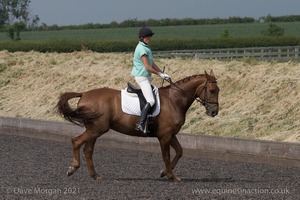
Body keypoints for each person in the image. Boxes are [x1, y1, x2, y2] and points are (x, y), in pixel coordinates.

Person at [131, 27, 171, 134]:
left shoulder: (146, 47)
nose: (150, 38)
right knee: (151, 100)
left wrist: (162, 73)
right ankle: (141, 124)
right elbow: (148, 67)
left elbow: (152, 63)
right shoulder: (142, 49)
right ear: (142, 38)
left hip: (146, 77)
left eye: (150, 37)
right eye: (148, 37)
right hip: (142, 77)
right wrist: (159, 74)